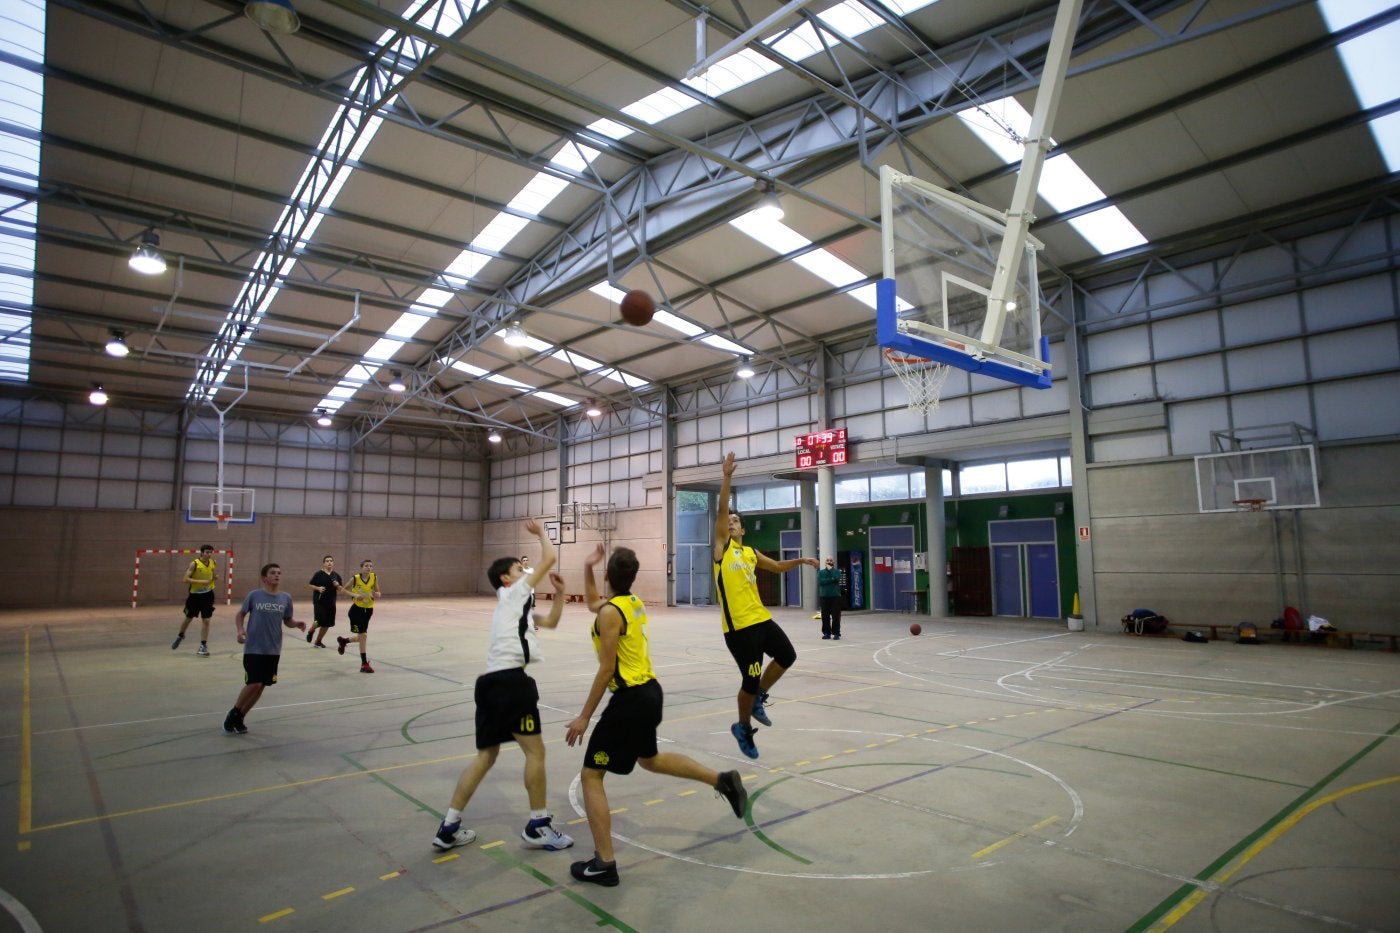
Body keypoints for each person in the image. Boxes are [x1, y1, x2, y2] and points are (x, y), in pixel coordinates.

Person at [565, 544, 747, 887]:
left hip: (630, 699)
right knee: (649, 759)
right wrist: (588, 568)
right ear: (633, 577)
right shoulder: (631, 604)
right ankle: (720, 779)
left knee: (591, 775)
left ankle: (604, 864)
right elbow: (593, 602)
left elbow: (607, 669)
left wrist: (584, 716)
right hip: (650, 693)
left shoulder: (610, 613)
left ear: (609, 576)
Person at [431, 518, 572, 853]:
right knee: (535, 752)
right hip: (511, 683)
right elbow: (550, 559)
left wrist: (562, 593)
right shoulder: (513, 592)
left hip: (490, 684)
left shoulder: (514, 610)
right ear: (507, 579)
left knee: (486, 756)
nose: (526, 572)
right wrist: (542, 535)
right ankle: (538, 825)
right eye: (518, 569)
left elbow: (550, 622)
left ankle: (448, 826)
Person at [714, 451, 818, 759]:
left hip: (760, 619)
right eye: (728, 521)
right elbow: (721, 508)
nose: (730, 522)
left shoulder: (749, 553)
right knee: (748, 677)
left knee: (788, 655)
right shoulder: (722, 550)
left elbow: (775, 566)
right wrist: (727, 476)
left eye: (736, 521)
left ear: (743, 529)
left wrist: (800, 559)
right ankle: (742, 727)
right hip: (738, 628)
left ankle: (760, 696)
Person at [223, 562, 307, 734]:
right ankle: (235, 711)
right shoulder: (255, 595)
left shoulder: (286, 598)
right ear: (264, 578)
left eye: (279, 572)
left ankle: (240, 717)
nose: (277, 575)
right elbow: (240, 614)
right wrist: (240, 630)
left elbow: (287, 620)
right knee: (254, 682)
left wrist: (296, 623)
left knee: (262, 685)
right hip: (254, 647)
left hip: (273, 649)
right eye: (273, 572)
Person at [172, 545, 218, 657]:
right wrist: (200, 582)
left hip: (208, 595)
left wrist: (213, 578)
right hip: (195, 597)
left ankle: (203, 646)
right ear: (202, 552)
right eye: (207, 552)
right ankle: (181, 635)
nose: (209, 554)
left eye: (210, 552)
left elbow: (211, 574)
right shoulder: (195, 564)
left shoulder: (213, 562)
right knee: (188, 618)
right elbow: (185, 579)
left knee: (206, 620)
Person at [337, 559, 381, 673]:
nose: (369, 568)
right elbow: (342, 589)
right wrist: (354, 595)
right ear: (361, 567)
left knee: (361, 637)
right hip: (356, 611)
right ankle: (364, 664)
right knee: (363, 636)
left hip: (369, 610)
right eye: (366, 565)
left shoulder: (374, 577)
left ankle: (344, 641)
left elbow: (377, 591)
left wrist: (377, 594)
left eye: (371, 566)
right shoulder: (355, 578)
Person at [306, 555, 342, 647]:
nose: (329, 562)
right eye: (327, 561)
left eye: (331, 561)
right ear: (324, 563)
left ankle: (318, 641)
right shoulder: (318, 574)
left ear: (333, 563)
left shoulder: (336, 575)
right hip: (319, 601)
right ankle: (311, 630)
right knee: (318, 620)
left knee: (327, 623)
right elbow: (310, 585)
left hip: (331, 602)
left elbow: (340, 589)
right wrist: (318, 588)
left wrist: (338, 585)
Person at [817, 557, 843, 640]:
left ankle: (836, 633)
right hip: (824, 596)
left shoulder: (836, 571)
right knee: (825, 616)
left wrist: (831, 570)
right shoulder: (821, 572)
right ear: (825, 562)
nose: (829, 561)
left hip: (835, 597)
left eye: (831, 560)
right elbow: (821, 582)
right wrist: (831, 579)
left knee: (836, 616)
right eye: (827, 560)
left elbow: (837, 578)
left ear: (833, 562)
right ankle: (826, 633)